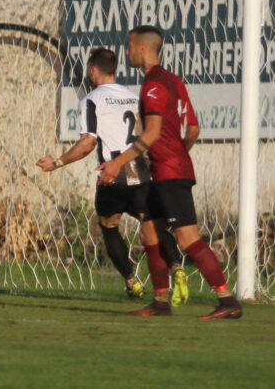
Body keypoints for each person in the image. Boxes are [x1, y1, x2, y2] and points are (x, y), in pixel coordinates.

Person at [97, 25, 242, 320]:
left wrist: (117, 162)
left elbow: (151, 133)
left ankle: (227, 301)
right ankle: (160, 303)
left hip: (169, 173)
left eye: (129, 46)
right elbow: (194, 129)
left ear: (141, 48)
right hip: (166, 169)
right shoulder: (173, 81)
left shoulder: (152, 85)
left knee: (188, 239)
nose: (126, 52)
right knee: (150, 232)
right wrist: (178, 153)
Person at [37, 47, 186, 302]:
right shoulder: (133, 97)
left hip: (113, 174)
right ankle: (177, 267)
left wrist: (57, 162)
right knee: (153, 223)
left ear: (93, 70)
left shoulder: (91, 99)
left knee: (109, 225)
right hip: (140, 171)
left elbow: (87, 143)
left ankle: (132, 282)